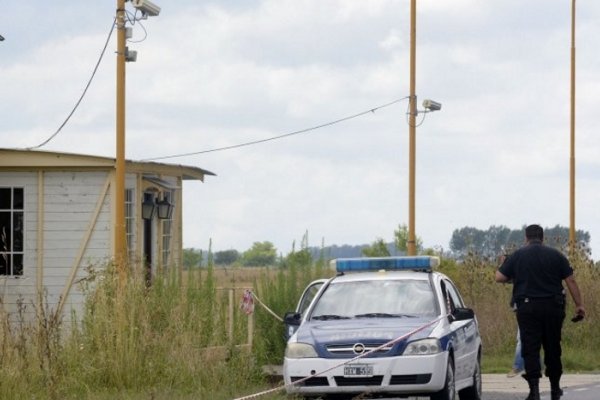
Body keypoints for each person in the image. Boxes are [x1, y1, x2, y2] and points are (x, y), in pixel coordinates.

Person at [495, 224, 585, 400]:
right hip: (553, 307)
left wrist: (508, 268)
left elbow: (499, 277)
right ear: (543, 238)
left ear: (526, 238)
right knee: (553, 346)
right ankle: (554, 389)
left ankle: (534, 391)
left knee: (530, 348)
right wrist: (579, 305)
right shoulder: (556, 255)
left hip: (527, 308)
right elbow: (571, 280)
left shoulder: (518, 255)